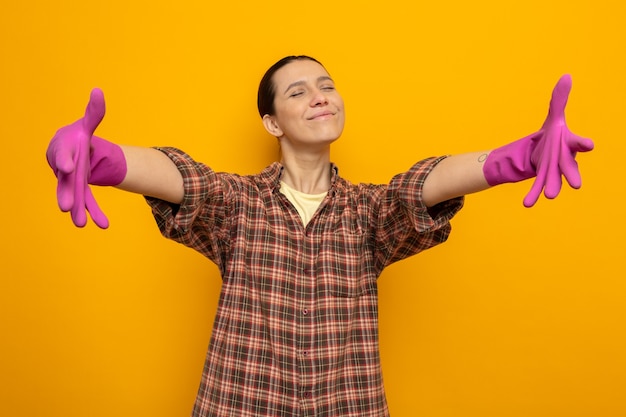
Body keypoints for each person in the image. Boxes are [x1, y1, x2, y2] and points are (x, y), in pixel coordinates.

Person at [46, 55, 593, 417]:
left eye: (327, 86)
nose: (320, 96)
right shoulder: (238, 205)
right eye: (300, 91)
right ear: (272, 122)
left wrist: (514, 158)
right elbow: (181, 178)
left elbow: (423, 186)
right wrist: (100, 158)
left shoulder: (368, 213)